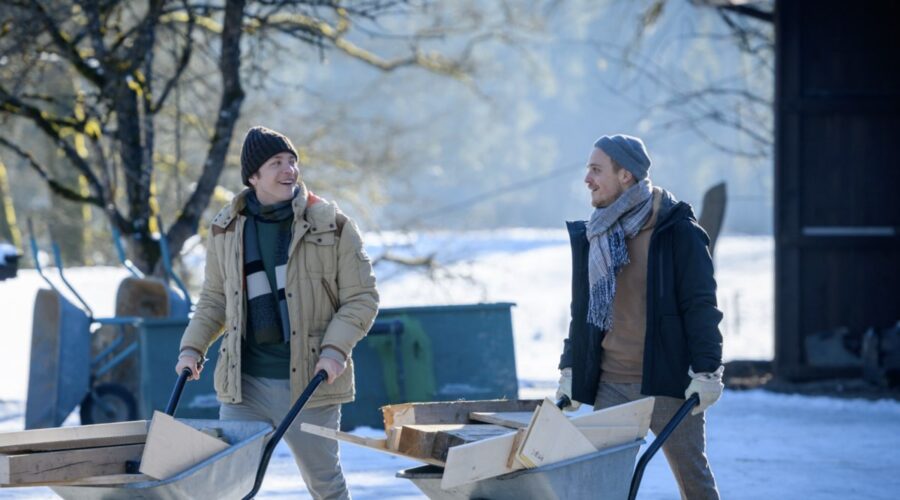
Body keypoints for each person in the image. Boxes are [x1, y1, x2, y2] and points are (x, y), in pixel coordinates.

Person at [176, 126, 379, 500]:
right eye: (276, 163)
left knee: (325, 486)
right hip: (245, 385)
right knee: (229, 486)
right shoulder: (226, 229)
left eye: (292, 161)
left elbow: (362, 298)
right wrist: (192, 349)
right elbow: (215, 300)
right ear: (253, 176)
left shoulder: (332, 225)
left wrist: (335, 350)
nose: (289, 170)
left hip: (310, 383)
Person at [555, 134, 724, 500]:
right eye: (588, 170)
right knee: (600, 490)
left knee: (694, 484)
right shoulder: (596, 234)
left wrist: (708, 370)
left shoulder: (677, 232)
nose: (587, 179)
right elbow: (582, 311)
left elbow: (701, 307)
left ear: (626, 175)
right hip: (611, 385)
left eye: (596, 170)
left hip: (668, 384)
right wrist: (571, 368)